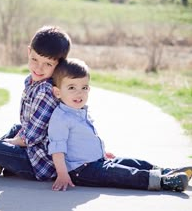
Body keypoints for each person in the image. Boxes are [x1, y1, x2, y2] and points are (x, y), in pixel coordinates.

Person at [48, 58, 192, 192]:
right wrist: (62, 174)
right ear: (58, 92)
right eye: (72, 88)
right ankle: (163, 181)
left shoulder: (80, 112)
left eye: (84, 87)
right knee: (123, 174)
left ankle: (166, 172)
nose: (79, 93)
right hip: (82, 170)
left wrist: (101, 153)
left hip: (98, 161)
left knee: (133, 162)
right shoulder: (61, 118)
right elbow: (57, 149)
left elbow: (84, 141)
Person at [0, 26, 71, 181]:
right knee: (16, 128)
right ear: (28, 52)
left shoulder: (46, 91)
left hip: (38, 163)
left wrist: (3, 143)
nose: (38, 68)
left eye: (48, 64)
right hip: (32, 150)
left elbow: (29, 138)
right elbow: (26, 128)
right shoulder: (32, 82)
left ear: (59, 65)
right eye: (34, 59)